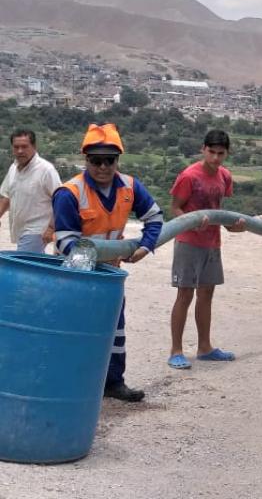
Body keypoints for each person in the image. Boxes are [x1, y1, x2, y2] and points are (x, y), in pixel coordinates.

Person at [53, 123, 164, 402]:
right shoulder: (70, 193)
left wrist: (146, 246)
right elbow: (66, 242)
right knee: (75, 329)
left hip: (110, 274)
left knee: (115, 329)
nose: (103, 167)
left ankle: (113, 382)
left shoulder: (129, 186)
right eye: (96, 160)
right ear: (86, 160)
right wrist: (111, 252)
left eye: (109, 160)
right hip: (76, 276)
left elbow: (155, 218)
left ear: (118, 160)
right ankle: (70, 383)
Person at [168, 130, 246, 370]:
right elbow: (175, 208)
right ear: (203, 149)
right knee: (184, 295)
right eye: (211, 152)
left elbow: (218, 210)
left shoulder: (225, 176)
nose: (215, 158)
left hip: (212, 243)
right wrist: (192, 220)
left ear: (227, 153)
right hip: (188, 242)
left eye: (220, 153)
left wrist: (235, 227)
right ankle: (176, 351)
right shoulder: (189, 176)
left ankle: (205, 348)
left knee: (206, 295)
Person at [0, 129, 60, 253]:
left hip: (37, 230)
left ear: (34, 146)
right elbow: (7, 197)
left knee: (22, 265)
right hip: (19, 229)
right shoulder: (13, 168)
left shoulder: (46, 170)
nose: (20, 151)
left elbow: (60, 199)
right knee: (33, 266)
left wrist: (51, 227)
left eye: (24, 147)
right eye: (16, 147)